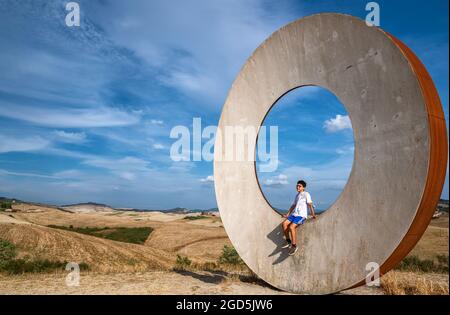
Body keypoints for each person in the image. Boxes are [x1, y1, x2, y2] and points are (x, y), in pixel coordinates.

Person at [281, 180, 316, 255]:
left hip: (301, 215)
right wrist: (287, 214)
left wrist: (313, 214)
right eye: (297, 186)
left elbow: (310, 204)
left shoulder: (306, 194)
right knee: (284, 224)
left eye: (299, 186)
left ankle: (294, 246)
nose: (297, 187)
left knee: (291, 227)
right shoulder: (297, 195)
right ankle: (288, 241)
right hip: (294, 214)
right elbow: (293, 205)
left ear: (303, 187)